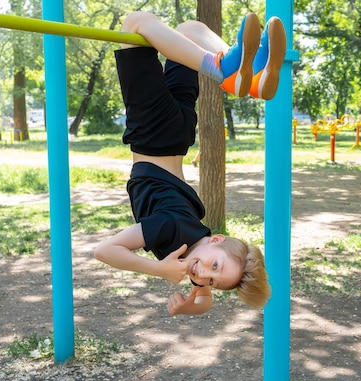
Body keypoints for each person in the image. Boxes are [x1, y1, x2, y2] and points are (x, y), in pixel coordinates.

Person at [94, 11, 286, 316]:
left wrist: (189, 304)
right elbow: (104, 251)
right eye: (214, 268)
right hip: (152, 133)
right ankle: (225, 70)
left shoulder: (196, 245)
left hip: (180, 134)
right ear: (217, 240)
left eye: (211, 280)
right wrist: (159, 270)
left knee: (189, 29)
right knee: (136, 23)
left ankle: (252, 74)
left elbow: (204, 298)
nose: (202, 275)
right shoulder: (167, 231)